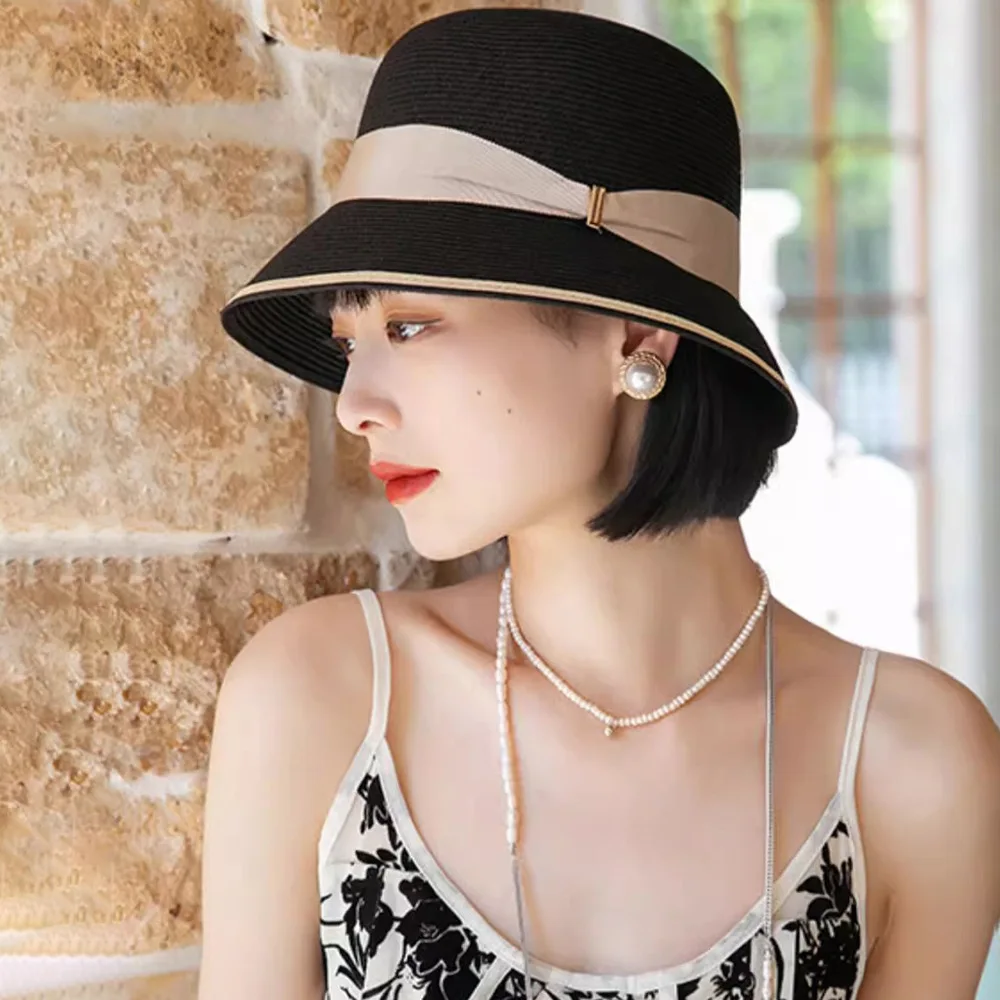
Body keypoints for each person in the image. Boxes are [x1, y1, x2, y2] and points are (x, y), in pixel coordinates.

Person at [198, 8, 1000, 1000]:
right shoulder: (323, 699)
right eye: (350, 342)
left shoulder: (912, 763)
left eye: (408, 326)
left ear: (635, 338)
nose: (354, 405)